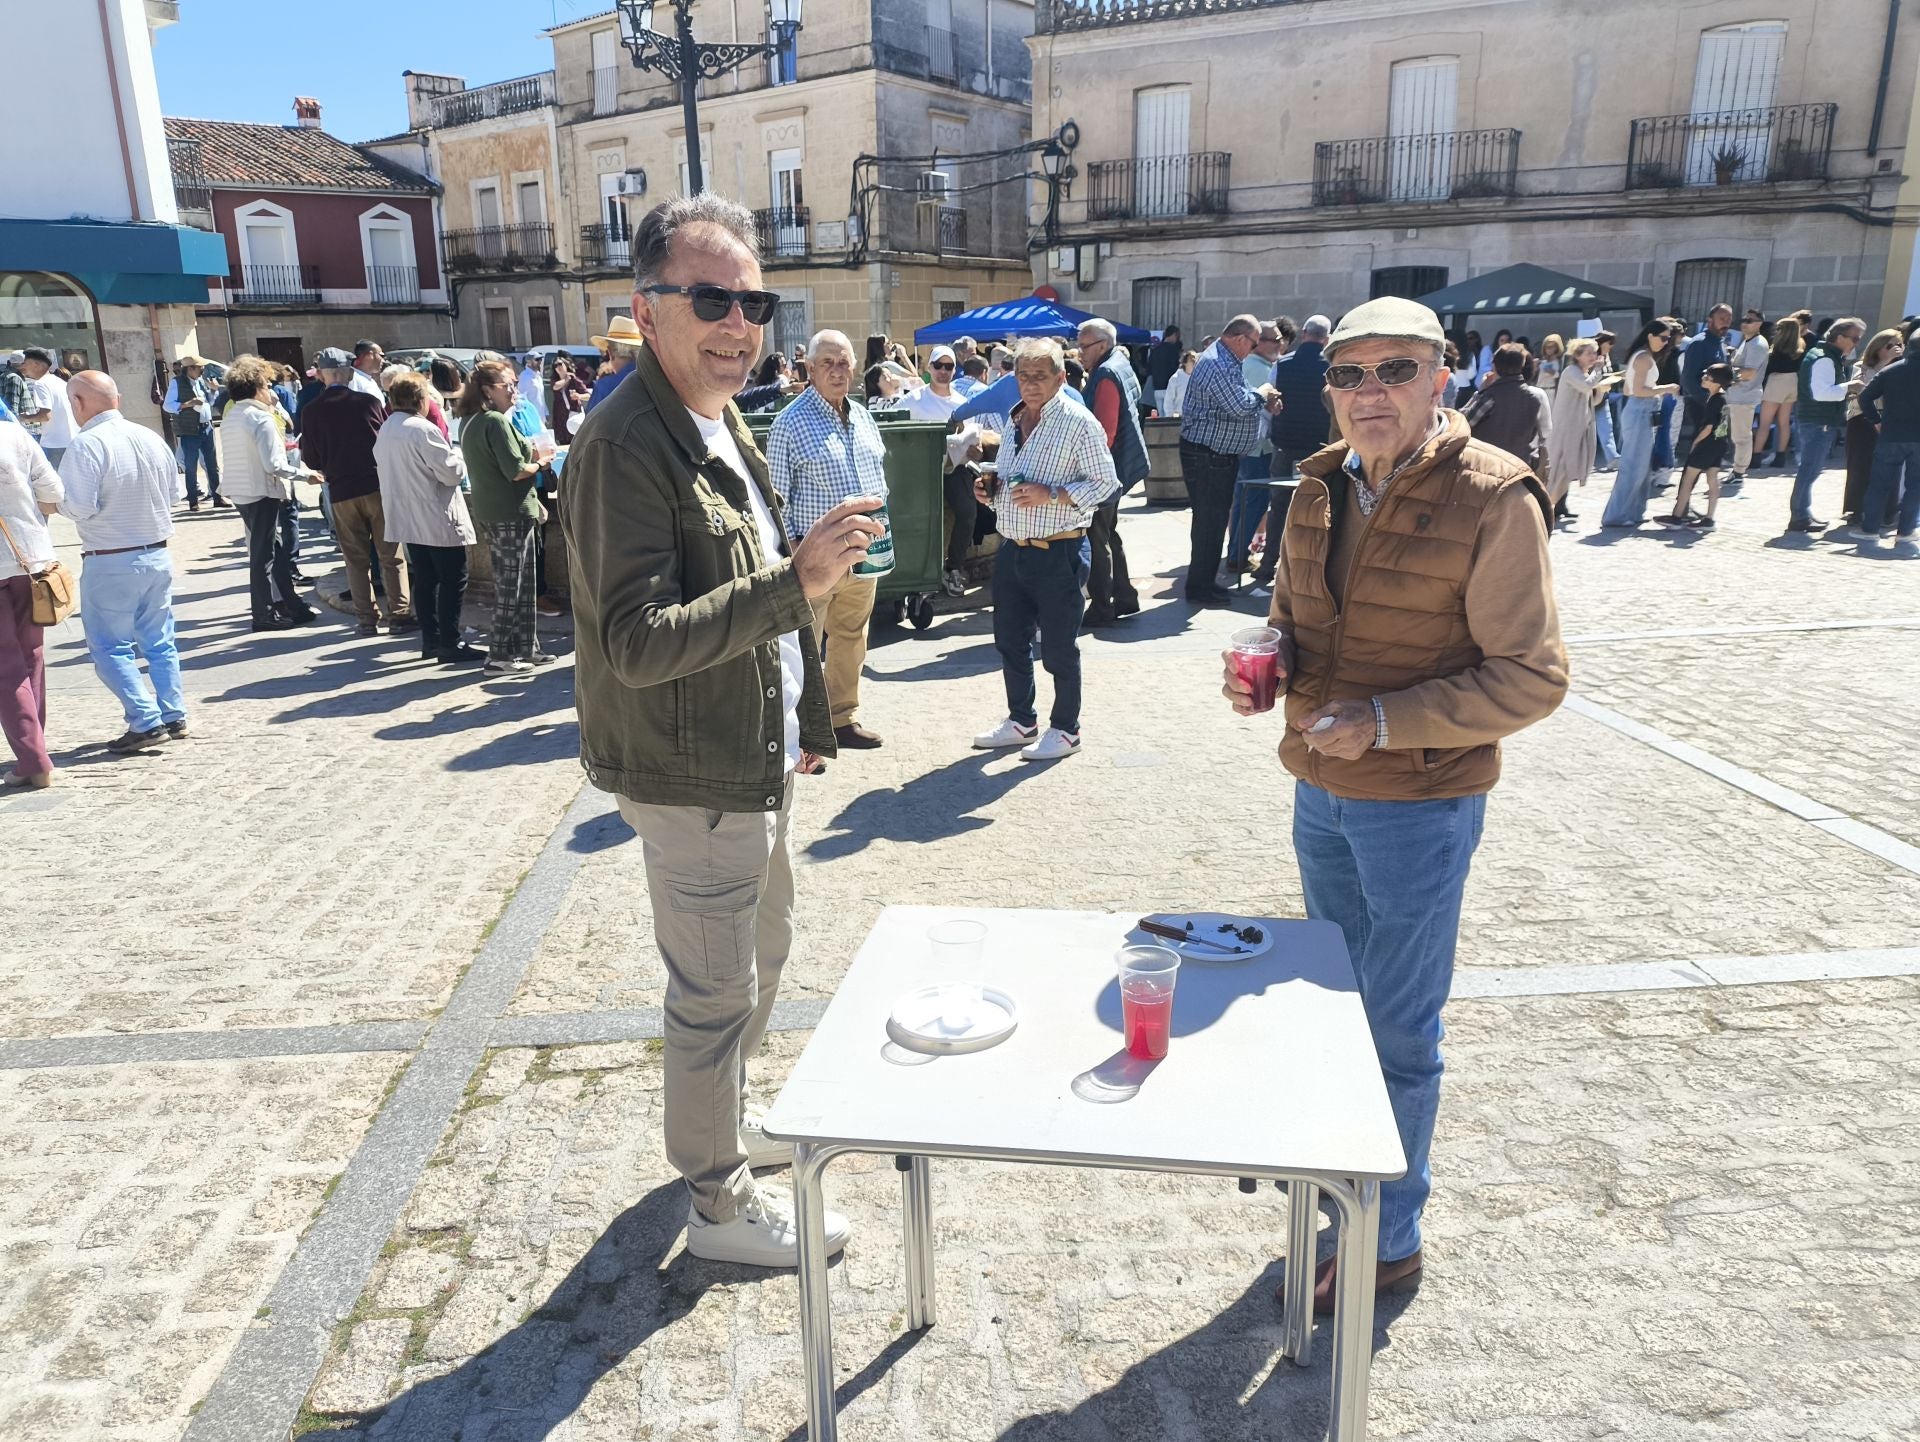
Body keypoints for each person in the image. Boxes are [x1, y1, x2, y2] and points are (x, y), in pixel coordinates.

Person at [1221, 296, 1566, 1315]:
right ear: (1326, 387)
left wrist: (1384, 721)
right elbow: (1290, 619)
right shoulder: (1318, 485)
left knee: (1399, 1031)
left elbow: (1532, 677)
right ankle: (1345, 1192)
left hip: (1419, 802)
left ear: (1440, 377)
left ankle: (1389, 1240)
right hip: (1320, 791)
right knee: (1336, 1017)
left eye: (1395, 370)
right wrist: (1269, 666)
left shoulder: (1493, 496)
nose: (1370, 391)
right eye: (1349, 373)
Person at [564, 193, 884, 1268]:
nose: (739, 323)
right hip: (690, 768)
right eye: (711, 299)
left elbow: (749, 584)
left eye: (754, 302)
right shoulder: (625, 442)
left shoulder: (720, 418)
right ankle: (717, 1202)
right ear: (647, 307)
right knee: (713, 992)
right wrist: (801, 581)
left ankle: (726, 1126)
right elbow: (636, 639)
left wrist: (806, 718)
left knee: (765, 949)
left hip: (750, 753)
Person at [969, 338, 1118, 762]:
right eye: (1024, 376)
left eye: (1040, 376)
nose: (1031, 384)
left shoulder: (1078, 422)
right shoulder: (1015, 418)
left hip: (1060, 550)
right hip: (1014, 548)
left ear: (1060, 377)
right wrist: (991, 492)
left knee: (1058, 647)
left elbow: (1107, 485)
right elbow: (1015, 484)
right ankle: (1022, 721)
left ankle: (1067, 730)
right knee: (1009, 641)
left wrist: (1052, 493)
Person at [766, 329, 889, 749]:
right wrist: (793, 549)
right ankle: (802, 730)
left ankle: (842, 719)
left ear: (854, 368)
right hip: (816, 556)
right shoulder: (790, 422)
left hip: (865, 552)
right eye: (827, 364)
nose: (837, 371)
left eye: (844, 363)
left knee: (852, 638)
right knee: (804, 643)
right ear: (810, 369)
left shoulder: (863, 417)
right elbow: (775, 497)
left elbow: (878, 481)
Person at [56, 372, 190, 753]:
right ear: (117, 398)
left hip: (111, 557)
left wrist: (52, 502)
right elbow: (175, 495)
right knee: (159, 641)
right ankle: (173, 713)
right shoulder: (150, 437)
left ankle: (145, 720)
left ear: (78, 402)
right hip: (157, 553)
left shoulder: (86, 445)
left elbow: (79, 506)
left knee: (109, 646)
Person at [299, 347, 415, 635]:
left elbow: (310, 459)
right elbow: (384, 440)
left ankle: (366, 619)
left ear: (324, 375)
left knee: (355, 560)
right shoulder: (368, 403)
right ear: (347, 373)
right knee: (391, 555)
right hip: (375, 485)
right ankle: (399, 615)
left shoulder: (311, 411)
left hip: (341, 490)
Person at [375, 373, 482, 662]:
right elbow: (451, 474)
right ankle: (450, 641)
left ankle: (431, 640)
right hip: (434, 514)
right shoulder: (423, 430)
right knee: (453, 578)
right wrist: (457, 454)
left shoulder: (387, 428)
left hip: (408, 515)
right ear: (421, 400)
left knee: (425, 578)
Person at [456, 359, 554, 676]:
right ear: (487, 390)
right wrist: (542, 463)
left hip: (497, 510)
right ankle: (498, 655)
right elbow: (516, 471)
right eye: (507, 385)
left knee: (521, 584)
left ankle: (527, 647)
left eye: (513, 384)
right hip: (509, 512)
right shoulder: (494, 421)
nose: (514, 390)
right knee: (513, 586)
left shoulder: (470, 421)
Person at [1178, 316, 1282, 605]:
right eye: (1253, 343)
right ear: (1239, 339)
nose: (1253, 349)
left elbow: (1239, 397)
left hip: (1214, 455)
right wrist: (1263, 393)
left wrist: (1261, 397)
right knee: (1209, 524)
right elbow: (1239, 405)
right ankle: (1199, 589)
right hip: (1207, 456)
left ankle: (1205, 583)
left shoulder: (1226, 360)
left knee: (1212, 524)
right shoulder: (1218, 363)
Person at [216, 355, 317, 631]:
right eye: (267, 385)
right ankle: (263, 615)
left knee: (275, 551)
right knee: (264, 557)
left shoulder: (232, 415)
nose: (270, 390)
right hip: (260, 491)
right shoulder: (261, 418)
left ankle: (293, 605)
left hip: (240, 491)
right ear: (256, 387)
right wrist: (307, 475)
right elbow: (274, 465)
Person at [1250, 315, 1332, 596]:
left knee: (1278, 506)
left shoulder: (1281, 365)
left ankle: (1268, 564)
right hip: (1320, 447)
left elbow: (1270, 404)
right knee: (1317, 508)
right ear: (1326, 338)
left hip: (1285, 444)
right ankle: (1309, 568)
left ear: (1304, 333)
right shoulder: (1331, 366)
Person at [0, 418, 61, 787]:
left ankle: (33, 759)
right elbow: (53, 492)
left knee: (5, 666)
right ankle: (35, 746)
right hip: (29, 557)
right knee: (31, 656)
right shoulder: (12, 433)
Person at [1075, 318, 1147, 626]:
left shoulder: (1105, 373)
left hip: (1105, 468)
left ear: (1102, 345)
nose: (1079, 352)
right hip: (1119, 465)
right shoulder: (1120, 363)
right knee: (1108, 532)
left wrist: (1086, 469)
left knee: (1096, 535)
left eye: (1084, 346)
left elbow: (1105, 432)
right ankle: (1125, 596)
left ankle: (1102, 606)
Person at [1600, 320, 1681, 529]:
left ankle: (1634, 512)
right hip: (1640, 411)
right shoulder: (1643, 357)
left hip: (1642, 410)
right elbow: (1638, 390)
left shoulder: (1643, 355)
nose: (1666, 342)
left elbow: (1631, 389)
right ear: (1650, 336)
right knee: (1633, 466)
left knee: (1642, 466)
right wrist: (1665, 388)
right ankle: (1616, 516)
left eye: (1668, 339)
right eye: (1663, 338)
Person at [1787, 317, 1865, 533]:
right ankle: (1799, 517)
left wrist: (1845, 391)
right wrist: (1850, 387)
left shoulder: (1824, 355)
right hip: (1818, 421)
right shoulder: (1825, 358)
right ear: (1839, 337)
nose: (1857, 343)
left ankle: (1802, 513)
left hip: (1816, 419)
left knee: (1810, 469)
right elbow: (1822, 393)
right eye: (1855, 339)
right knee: (1809, 470)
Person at [1225, 322, 1289, 578]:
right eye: (1275, 340)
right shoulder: (1261, 369)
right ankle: (1238, 555)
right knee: (1255, 501)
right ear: (1258, 342)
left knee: (1242, 501)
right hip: (1257, 447)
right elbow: (1262, 408)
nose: (1280, 344)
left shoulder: (1247, 365)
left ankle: (1235, 553)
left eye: (1280, 339)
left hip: (1244, 446)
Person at [1856, 333, 1920, 545]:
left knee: (1879, 484)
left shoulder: (1891, 370)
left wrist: (1876, 420)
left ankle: (1870, 529)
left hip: (1891, 434)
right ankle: (1905, 532)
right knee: (1915, 487)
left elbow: (1865, 397)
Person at [1660, 362, 1734, 529]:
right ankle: (1709, 518)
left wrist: (1695, 443)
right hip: (1720, 443)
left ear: (1717, 382)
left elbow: (1708, 427)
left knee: (1688, 480)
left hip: (1706, 445)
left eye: (1708, 377)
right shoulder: (1725, 398)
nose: (1704, 378)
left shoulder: (1714, 400)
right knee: (1712, 480)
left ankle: (1677, 517)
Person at [1843, 328, 1904, 531]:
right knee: (1860, 468)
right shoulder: (1861, 367)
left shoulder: (1901, 368)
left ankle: (1887, 512)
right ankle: (1856, 510)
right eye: (1890, 345)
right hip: (1862, 420)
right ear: (1878, 347)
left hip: (1890, 420)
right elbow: (1864, 389)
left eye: (1899, 345)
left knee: (1890, 469)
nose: (1895, 349)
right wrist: (1884, 363)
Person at [1462, 344, 1552, 477]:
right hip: (1520, 467)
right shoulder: (1534, 397)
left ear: (1494, 366)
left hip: (1487, 467)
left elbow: (1463, 423)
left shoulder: (1491, 396)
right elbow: (1544, 433)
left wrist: (1479, 392)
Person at [1544, 338, 1608, 522]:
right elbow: (1587, 386)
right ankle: (1545, 507)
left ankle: (1556, 506)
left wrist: (1602, 389)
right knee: (1560, 468)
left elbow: (1591, 400)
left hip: (1578, 427)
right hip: (1566, 427)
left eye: (1595, 353)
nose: (1593, 356)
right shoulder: (1571, 371)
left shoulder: (1583, 373)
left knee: (1568, 468)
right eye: (1589, 353)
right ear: (1577, 355)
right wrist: (1598, 371)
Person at [162, 356, 227, 511]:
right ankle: (193, 501)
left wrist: (213, 390)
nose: (202, 370)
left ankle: (217, 497)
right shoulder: (176, 383)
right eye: (200, 368)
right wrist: (188, 404)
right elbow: (167, 405)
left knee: (212, 465)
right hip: (190, 429)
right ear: (190, 369)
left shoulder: (200, 382)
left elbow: (209, 402)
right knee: (191, 466)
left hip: (207, 427)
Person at [1754, 316, 1805, 468]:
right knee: (1784, 423)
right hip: (1792, 382)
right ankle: (1780, 457)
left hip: (1776, 382)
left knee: (1765, 423)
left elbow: (1767, 369)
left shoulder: (1776, 349)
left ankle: (1755, 457)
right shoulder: (1800, 349)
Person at [1724, 310, 1770, 481]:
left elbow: (1749, 373)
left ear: (1759, 323)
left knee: (1742, 437)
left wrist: (1724, 375)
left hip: (1744, 396)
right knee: (1737, 436)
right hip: (1738, 395)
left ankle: (1739, 472)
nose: (1744, 323)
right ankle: (1737, 469)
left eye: (1750, 320)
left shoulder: (1757, 344)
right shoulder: (1748, 341)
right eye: (1743, 319)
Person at [16, 350, 75, 471]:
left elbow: (45, 416)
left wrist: (24, 418)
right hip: (71, 441)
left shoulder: (41, 384)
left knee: (54, 481)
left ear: (36, 364)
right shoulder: (60, 382)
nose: (21, 367)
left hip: (54, 445)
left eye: (24, 363)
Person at [905, 346, 964, 422]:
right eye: (938, 365)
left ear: (954, 370)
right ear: (929, 367)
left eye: (949, 366)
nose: (943, 371)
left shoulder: (962, 404)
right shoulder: (913, 399)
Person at [1146, 325, 1184, 411]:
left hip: (1157, 388)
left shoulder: (1155, 350)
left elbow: (1149, 369)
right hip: (1170, 388)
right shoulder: (1174, 350)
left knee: (1161, 415)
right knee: (1170, 415)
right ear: (1174, 335)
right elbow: (1175, 368)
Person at [517, 353, 548, 422]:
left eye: (540, 359)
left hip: (541, 416)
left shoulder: (538, 376)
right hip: (531, 417)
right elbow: (521, 398)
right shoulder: (525, 376)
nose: (540, 361)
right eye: (537, 359)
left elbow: (541, 396)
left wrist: (546, 412)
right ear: (529, 362)